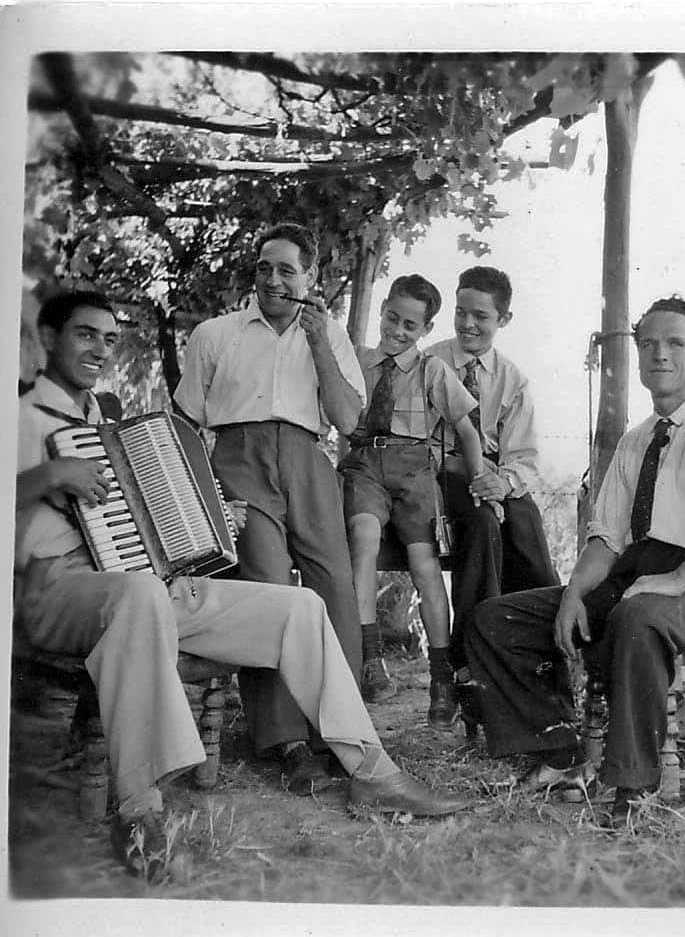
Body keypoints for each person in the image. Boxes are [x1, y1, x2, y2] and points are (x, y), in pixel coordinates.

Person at [16, 290, 469, 878]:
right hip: (54, 591)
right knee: (141, 594)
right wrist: (48, 474)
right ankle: (141, 809)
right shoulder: (21, 417)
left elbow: (146, 518)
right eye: (85, 335)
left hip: (143, 587)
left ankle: (371, 772)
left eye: (108, 338)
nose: (100, 349)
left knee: (299, 606)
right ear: (49, 339)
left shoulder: (102, 419)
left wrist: (210, 517)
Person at [463, 296, 685, 826]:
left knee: (638, 617)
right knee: (495, 619)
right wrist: (573, 595)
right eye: (648, 344)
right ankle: (557, 753)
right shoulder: (636, 442)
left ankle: (634, 787)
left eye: (675, 343)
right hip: (639, 573)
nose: (659, 354)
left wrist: (678, 579)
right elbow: (606, 538)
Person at [173, 223, 365, 796]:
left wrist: (320, 344)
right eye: (264, 268)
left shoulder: (328, 333)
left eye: (287, 270)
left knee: (334, 586)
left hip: (308, 459)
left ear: (311, 279)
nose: (273, 280)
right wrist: (206, 491)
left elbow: (349, 421)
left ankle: (340, 735)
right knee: (270, 588)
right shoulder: (216, 334)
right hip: (238, 462)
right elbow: (185, 420)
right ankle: (283, 742)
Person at [338, 274, 500, 728]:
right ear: (382, 310)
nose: (397, 331)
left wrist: (479, 478)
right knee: (363, 536)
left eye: (410, 325)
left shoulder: (433, 370)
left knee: (424, 564)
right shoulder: (358, 363)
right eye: (392, 318)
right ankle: (370, 659)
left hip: (414, 471)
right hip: (366, 464)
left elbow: (467, 430)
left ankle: (441, 678)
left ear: (426, 329)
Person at [425, 266, 560, 687]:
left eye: (481, 316)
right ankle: (469, 661)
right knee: (482, 523)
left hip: (488, 478)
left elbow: (524, 456)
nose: (468, 324)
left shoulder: (511, 379)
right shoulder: (429, 362)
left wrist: (500, 483)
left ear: (504, 320)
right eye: (461, 312)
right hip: (439, 476)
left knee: (527, 528)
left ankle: (547, 653)